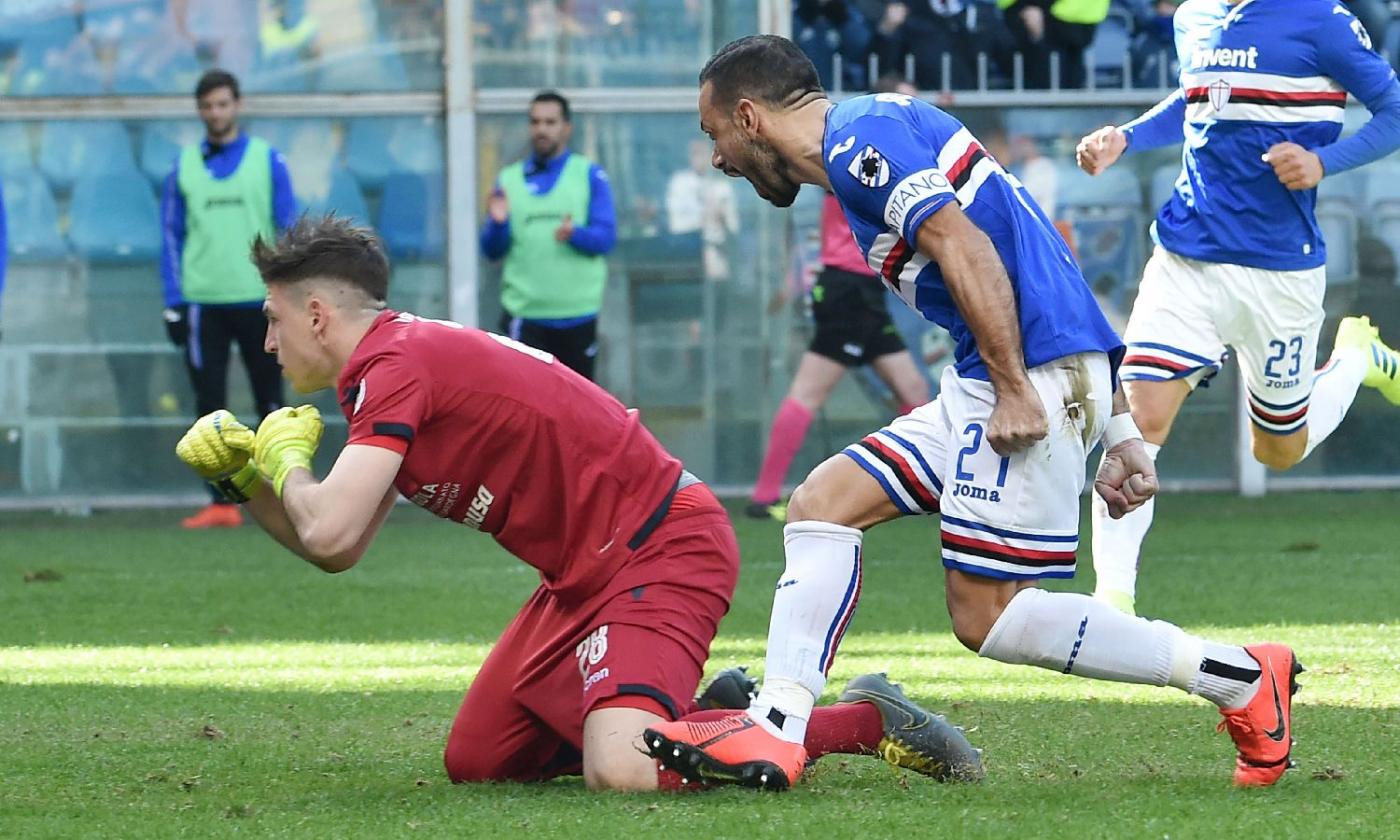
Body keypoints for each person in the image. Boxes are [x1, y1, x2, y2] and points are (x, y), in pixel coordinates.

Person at [644, 34, 1302, 791]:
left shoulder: (861, 141)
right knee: (821, 506)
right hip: (1006, 374)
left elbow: (969, 248)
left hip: (1021, 377)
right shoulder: (875, 130)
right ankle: (779, 726)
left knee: (988, 618)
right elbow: (1041, 254)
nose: (718, 158)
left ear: (750, 117)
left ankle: (1243, 679)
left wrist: (1021, 390)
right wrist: (1118, 426)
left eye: (714, 134)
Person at [173, 214, 982, 792]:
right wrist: (247, 483)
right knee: (481, 759)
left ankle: (861, 723)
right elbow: (336, 547)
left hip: (660, 548)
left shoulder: (396, 366)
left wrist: (281, 465)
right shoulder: (388, 370)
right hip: (581, 578)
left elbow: (329, 522)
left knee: (622, 771)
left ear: (317, 313)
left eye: (275, 321)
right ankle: (708, 714)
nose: (270, 343)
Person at [1076, 0, 1400, 615]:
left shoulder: (1320, 19)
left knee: (1278, 450)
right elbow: (1199, 101)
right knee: (1137, 423)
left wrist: (1323, 161)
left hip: (1279, 270)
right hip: (1185, 256)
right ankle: (1113, 601)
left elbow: (1395, 109)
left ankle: (1355, 358)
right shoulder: (1193, 18)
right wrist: (1128, 136)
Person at [161, 69, 296, 529]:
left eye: (222, 103)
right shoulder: (182, 167)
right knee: (209, 406)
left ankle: (288, 495)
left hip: (261, 301)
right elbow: (170, 237)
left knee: (271, 403)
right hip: (203, 302)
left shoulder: (268, 161)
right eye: (207, 106)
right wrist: (173, 301)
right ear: (200, 111)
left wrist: (289, 295)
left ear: (236, 105)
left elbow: (288, 231)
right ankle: (221, 505)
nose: (215, 113)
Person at [746, 190, 930, 520]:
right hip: (846, 290)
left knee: (913, 389)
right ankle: (764, 496)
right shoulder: (845, 163)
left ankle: (927, 485)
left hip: (866, 292)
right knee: (808, 393)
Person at [480, 90, 616, 381]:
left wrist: (575, 234)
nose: (542, 129)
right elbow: (491, 250)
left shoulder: (589, 175)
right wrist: (498, 224)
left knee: (579, 410)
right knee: (525, 411)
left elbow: (605, 239)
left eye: (550, 122)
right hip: (526, 317)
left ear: (567, 127)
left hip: (578, 315)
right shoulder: (509, 179)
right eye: (535, 122)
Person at [665, 138, 739, 281]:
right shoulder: (679, 183)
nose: (698, 158)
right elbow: (675, 223)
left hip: (718, 250)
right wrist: (702, 218)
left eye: (703, 153)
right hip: (686, 249)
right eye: (695, 153)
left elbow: (733, 226)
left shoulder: (722, 187)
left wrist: (721, 218)